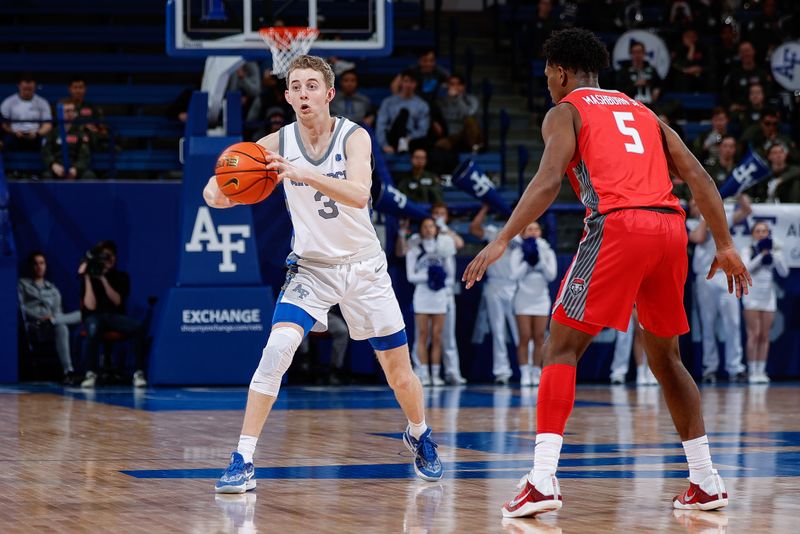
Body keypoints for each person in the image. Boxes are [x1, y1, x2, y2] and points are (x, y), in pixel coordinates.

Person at [462, 28, 750, 517]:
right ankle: (705, 479)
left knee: (561, 346)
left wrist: (504, 237)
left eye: (549, 76)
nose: (549, 85)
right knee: (666, 359)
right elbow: (700, 178)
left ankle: (541, 479)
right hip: (670, 228)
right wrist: (723, 243)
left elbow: (549, 178)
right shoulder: (644, 113)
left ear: (560, 71)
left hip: (620, 225)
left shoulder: (566, 110)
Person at [202, 55, 442, 493]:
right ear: (288, 95)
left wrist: (302, 173)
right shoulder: (275, 142)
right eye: (295, 86)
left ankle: (420, 432)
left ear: (329, 94)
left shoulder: (355, 137)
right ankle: (243, 457)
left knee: (399, 375)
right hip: (312, 268)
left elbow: (358, 194)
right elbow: (213, 190)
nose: (303, 93)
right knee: (276, 350)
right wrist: (227, 190)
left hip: (364, 266)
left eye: (312, 85)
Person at [687, 196, 751, 384]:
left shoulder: (720, 218)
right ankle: (710, 367)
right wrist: (706, 216)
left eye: (698, 203)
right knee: (707, 324)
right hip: (704, 278)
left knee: (732, 322)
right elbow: (698, 238)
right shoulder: (690, 223)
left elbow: (746, 211)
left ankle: (735, 367)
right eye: (693, 205)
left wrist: (738, 192)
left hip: (725, 275)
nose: (696, 207)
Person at [79, 240, 148, 389]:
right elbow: (90, 306)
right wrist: (87, 278)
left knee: (137, 327)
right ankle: (90, 373)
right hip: (95, 316)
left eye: (111, 256)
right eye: (104, 256)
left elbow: (117, 301)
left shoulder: (122, 277)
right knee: (93, 328)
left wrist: (103, 279)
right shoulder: (89, 278)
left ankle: (138, 373)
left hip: (114, 316)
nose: (109, 260)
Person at [469, 204, 521, 385]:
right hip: (495, 284)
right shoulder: (495, 232)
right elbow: (474, 229)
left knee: (521, 332)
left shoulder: (526, 231)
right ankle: (502, 372)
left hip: (516, 286)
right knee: (498, 330)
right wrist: (485, 206)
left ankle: (529, 370)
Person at [17, 251, 82, 385]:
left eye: (42, 263)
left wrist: (52, 318)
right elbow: (21, 308)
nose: (39, 266)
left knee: (77, 316)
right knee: (61, 325)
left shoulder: (53, 289)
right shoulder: (22, 284)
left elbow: (58, 311)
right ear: (31, 266)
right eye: (35, 263)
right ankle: (68, 370)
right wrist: (40, 317)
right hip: (34, 325)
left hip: (51, 324)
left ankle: (68, 372)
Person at [405, 217, 456, 386]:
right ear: (421, 229)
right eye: (425, 226)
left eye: (431, 226)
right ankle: (423, 373)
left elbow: (451, 277)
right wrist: (430, 277)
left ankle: (436, 374)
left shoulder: (444, 248)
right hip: (422, 296)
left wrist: (439, 280)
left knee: (437, 336)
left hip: (439, 296)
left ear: (436, 229)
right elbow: (410, 276)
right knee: (422, 335)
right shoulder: (414, 249)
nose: (428, 229)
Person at [741, 221, 789, 384]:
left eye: (764, 231)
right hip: (752, 295)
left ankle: (761, 370)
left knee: (765, 335)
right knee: (753, 334)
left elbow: (784, 272)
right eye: (758, 231)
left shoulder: (775, 251)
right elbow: (746, 269)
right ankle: (752, 370)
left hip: (768, 296)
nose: (761, 234)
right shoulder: (748, 250)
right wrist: (762, 255)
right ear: (753, 234)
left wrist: (774, 255)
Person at [511, 222, 557, 387]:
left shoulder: (548, 251)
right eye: (529, 229)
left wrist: (539, 259)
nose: (533, 232)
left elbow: (552, 275)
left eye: (536, 229)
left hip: (541, 299)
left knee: (539, 337)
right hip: (523, 298)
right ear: (523, 233)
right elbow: (514, 275)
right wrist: (527, 260)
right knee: (524, 336)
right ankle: (524, 372)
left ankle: (536, 371)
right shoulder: (517, 252)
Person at [376, 70, 430, 154]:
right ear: (401, 82)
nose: (408, 85)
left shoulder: (422, 105)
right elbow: (381, 126)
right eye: (406, 81)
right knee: (403, 113)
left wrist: (409, 138)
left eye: (412, 82)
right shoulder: (388, 102)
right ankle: (402, 143)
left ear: (416, 84)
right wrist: (384, 145)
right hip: (393, 137)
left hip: (412, 140)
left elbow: (422, 130)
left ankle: (403, 143)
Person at [41, 99, 95, 180]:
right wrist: (53, 165)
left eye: (72, 111)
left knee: (89, 176)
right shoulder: (52, 133)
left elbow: (84, 155)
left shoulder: (81, 133)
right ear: (59, 113)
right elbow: (46, 152)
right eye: (67, 111)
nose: (70, 113)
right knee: (46, 176)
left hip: (74, 169)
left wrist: (76, 169)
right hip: (57, 168)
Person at [1, 73, 52, 152]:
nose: (27, 92)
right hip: (14, 135)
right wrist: (13, 132)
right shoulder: (8, 102)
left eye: (30, 89)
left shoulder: (42, 102)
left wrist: (37, 134)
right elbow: (4, 124)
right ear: (19, 86)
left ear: (34, 87)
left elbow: (48, 125)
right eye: (24, 89)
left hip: (36, 136)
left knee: (48, 143)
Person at [432, 74, 482, 153]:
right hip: (450, 136)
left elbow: (468, 114)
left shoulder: (472, 100)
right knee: (440, 145)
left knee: (470, 120)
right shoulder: (441, 101)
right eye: (452, 84)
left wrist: (457, 98)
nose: (455, 87)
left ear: (464, 86)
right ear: (447, 86)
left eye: (458, 84)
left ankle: (475, 152)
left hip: (468, 136)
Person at [609, 308, 657, 386]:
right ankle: (622, 371)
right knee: (624, 335)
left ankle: (650, 371)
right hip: (626, 300)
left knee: (649, 332)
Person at [615, 40, 662, 107]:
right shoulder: (623, 72)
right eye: (634, 52)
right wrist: (634, 85)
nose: (637, 55)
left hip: (650, 105)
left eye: (639, 52)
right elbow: (620, 91)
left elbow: (659, 84)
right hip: (631, 105)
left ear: (644, 53)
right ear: (631, 54)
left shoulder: (652, 70)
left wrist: (657, 90)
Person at [67, 76, 108, 149]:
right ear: (70, 89)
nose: (78, 90)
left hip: (89, 141)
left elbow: (102, 127)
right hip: (69, 140)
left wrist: (97, 129)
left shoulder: (93, 107)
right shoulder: (63, 106)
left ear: (85, 89)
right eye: (75, 87)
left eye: (80, 87)